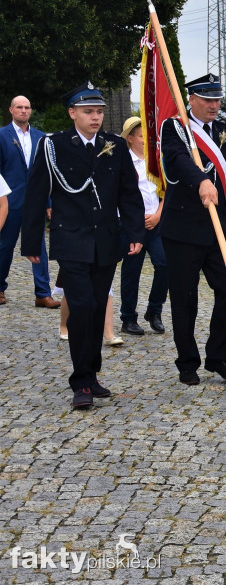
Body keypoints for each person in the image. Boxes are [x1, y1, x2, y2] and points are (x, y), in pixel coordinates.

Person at [20, 82, 143, 409]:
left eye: (100, 111)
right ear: (73, 113)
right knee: (83, 307)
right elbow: (35, 195)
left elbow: (129, 194)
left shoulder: (115, 145)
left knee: (96, 303)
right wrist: (32, 241)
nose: (96, 117)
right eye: (89, 111)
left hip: (105, 241)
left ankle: (91, 374)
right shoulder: (53, 146)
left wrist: (134, 233)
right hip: (71, 240)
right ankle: (81, 382)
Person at [160, 74, 226, 386]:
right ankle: (187, 362)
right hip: (183, 228)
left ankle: (218, 356)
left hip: (218, 227)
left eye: (217, 99)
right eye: (207, 99)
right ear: (192, 99)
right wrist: (201, 180)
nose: (214, 105)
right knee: (185, 298)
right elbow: (178, 159)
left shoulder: (225, 132)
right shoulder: (174, 128)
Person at [0, 95, 60, 308]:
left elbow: (48, 174)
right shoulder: (1, 136)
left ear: (31, 110)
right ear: (11, 110)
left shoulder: (41, 137)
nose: (23, 111)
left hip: (36, 201)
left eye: (27, 107)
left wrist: (50, 202)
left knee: (39, 247)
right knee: (4, 245)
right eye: (19, 107)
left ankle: (42, 293)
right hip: (10, 199)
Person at [118, 116, 168, 336]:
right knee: (132, 271)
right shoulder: (123, 162)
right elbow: (121, 196)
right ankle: (128, 317)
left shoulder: (156, 162)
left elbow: (167, 191)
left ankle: (154, 311)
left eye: (148, 136)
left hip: (156, 222)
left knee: (165, 265)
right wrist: (134, 220)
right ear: (130, 138)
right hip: (132, 225)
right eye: (141, 136)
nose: (146, 141)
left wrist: (158, 214)